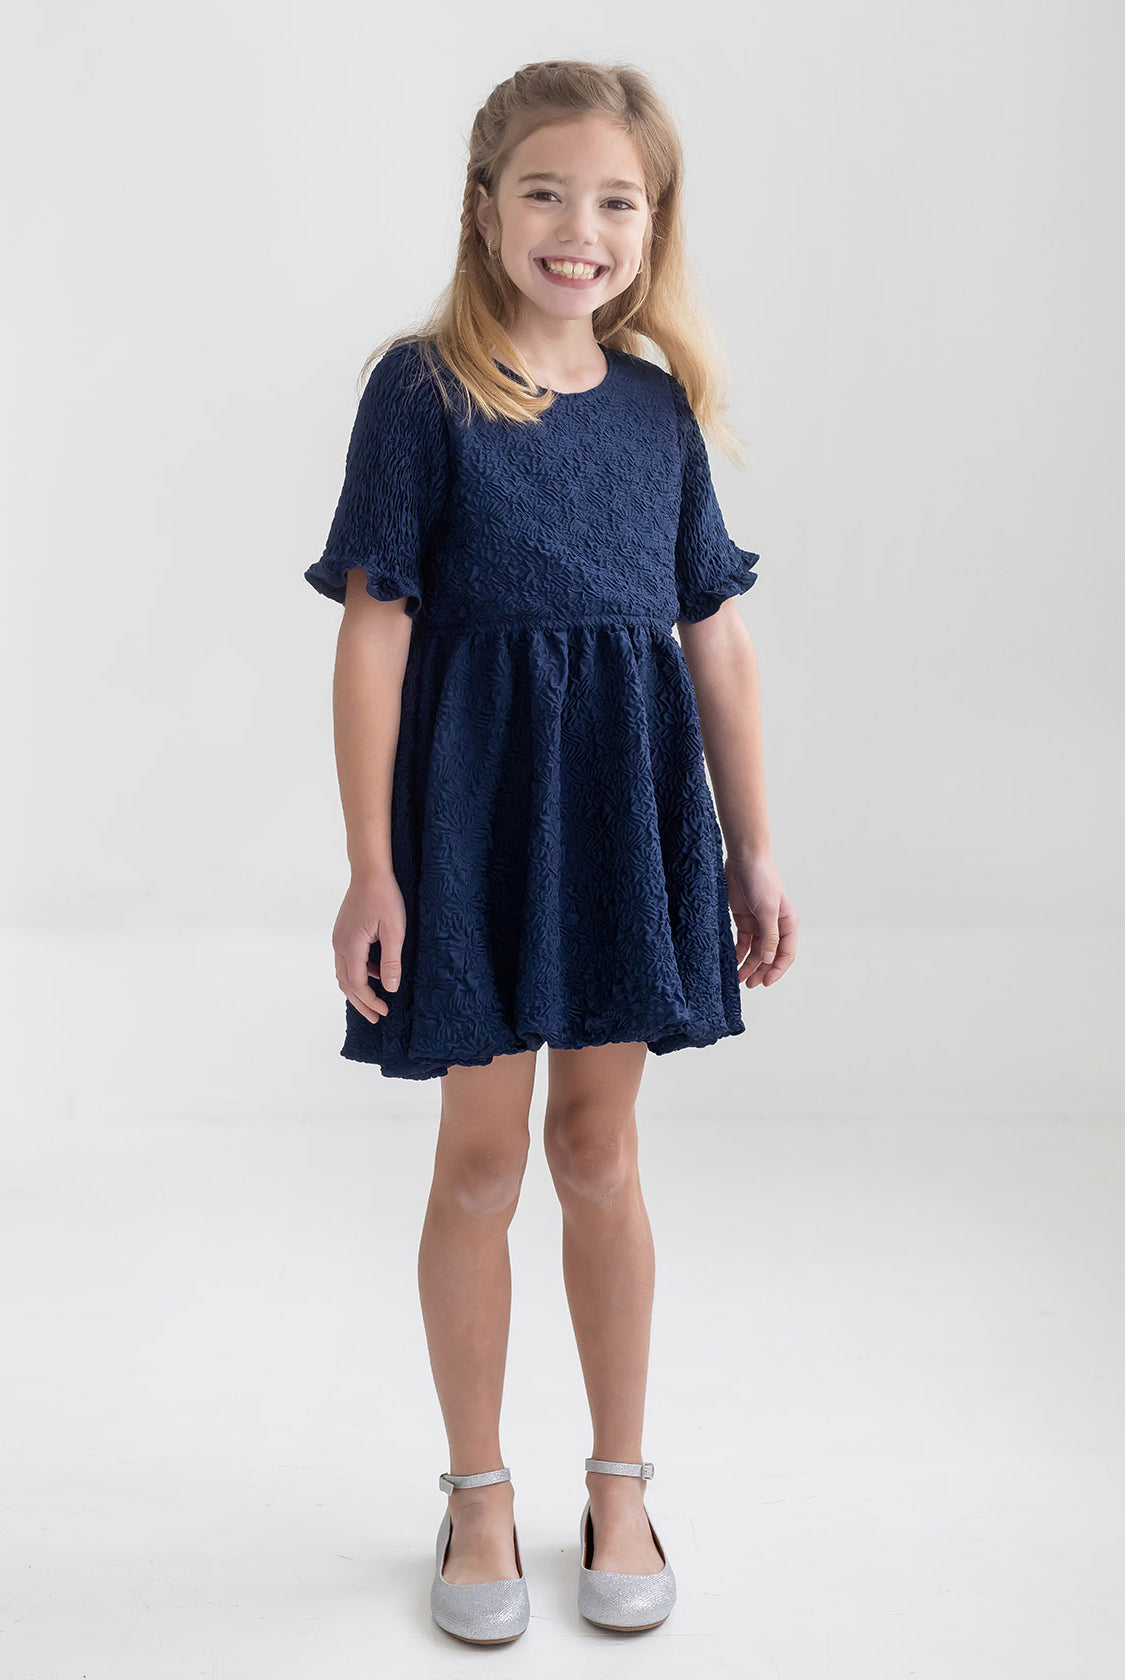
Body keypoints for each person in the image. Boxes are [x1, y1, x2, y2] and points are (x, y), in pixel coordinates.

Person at [304, 59, 798, 1644]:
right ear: (484, 203)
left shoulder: (657, 406)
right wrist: (372, 865)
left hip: (623, 807)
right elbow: (374, 635)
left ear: (651, 228)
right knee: (478, 1159)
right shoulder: (423, 391)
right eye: (544, 191)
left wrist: (753, 852)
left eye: (614, 202)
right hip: (475, 814)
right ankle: (476, 1492)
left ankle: (621, 1480)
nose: (577, 229)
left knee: (598, 1153)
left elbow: (713, 639)